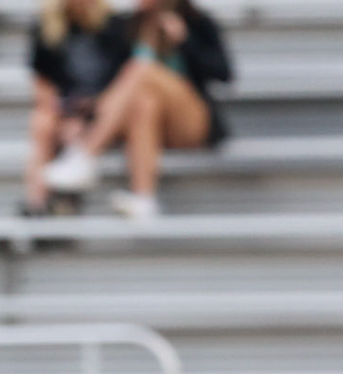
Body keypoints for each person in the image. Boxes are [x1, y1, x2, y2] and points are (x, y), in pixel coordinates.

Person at [39, 0, 231, 221]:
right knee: (143, 103)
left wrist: (185, 41)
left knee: (141, 69)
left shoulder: (196, 21)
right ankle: (143, 197)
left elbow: (223, 73)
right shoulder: (128, 27)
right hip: (152, 123)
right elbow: (111, 81)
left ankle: (86, 154)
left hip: (190, 121)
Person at [24, 0, 130, 215]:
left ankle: (63, 201)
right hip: (65, 110)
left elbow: (123, 85)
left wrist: (86, 111)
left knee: (75, 130)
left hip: (107, 112)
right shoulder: (45, 27)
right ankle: (36, 205)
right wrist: (65, 112)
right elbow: (43, 85)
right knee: (42, 123)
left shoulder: (115, 26)